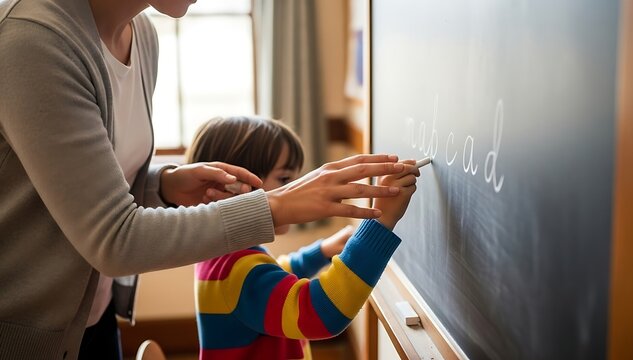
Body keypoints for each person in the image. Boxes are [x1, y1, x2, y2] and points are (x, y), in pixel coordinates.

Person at [0, 1, 408, 358]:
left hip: (94, 317)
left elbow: (93, 180)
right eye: (283, 177)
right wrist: (373, 227)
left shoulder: (142, 35)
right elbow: (114, 237)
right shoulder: (32, 43)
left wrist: (162, 185)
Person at [189, 116, 419, 359]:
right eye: (285, 179)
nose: (298, 189)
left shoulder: (221, 253)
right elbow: (321, 314)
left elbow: (277, 276)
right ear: (232, 188)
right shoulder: (236, 270)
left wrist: (321, 251)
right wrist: (380, 225)